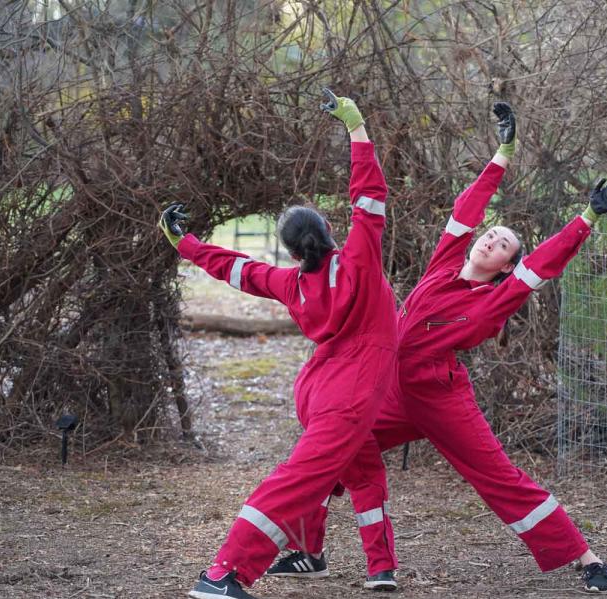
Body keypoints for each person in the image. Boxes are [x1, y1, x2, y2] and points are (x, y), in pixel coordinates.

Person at [268, 102, 607, 593]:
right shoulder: (443, 263)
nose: (491, 239)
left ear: (505, 265)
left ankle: (586, 559)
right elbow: (467, 209)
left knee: (497, 476)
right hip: (388, 387)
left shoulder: (497, 296)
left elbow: (542, 264)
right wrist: (502, 152)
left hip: (438, 395)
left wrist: (585, 218)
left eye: (503, 244)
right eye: (492, 234)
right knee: (330, 450)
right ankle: (308, 551)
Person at [160, 89, 399, 599]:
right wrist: (355, 126)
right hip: (349, 393)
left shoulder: (291, 282)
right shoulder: (360, 260)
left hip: (320, 388)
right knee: (297, 483)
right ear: (330, 231)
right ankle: (222, 575)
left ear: (291, 251)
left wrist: (185, 243)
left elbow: (236, 269)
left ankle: (350, 561)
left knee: (359, 470)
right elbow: (370, 196)